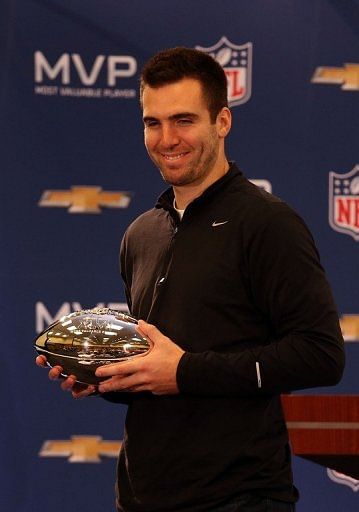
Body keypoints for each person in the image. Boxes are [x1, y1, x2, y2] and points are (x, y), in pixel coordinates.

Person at [37, 47, 345, 512]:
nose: (167, 139)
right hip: (141, 497)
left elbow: (321, 355)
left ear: (222, 121)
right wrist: (105, 377)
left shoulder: (266, 223)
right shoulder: (141, 233)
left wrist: (183, 371)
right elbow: (157, 375)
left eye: (184, 120)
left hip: (239, 499)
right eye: (152, 122)